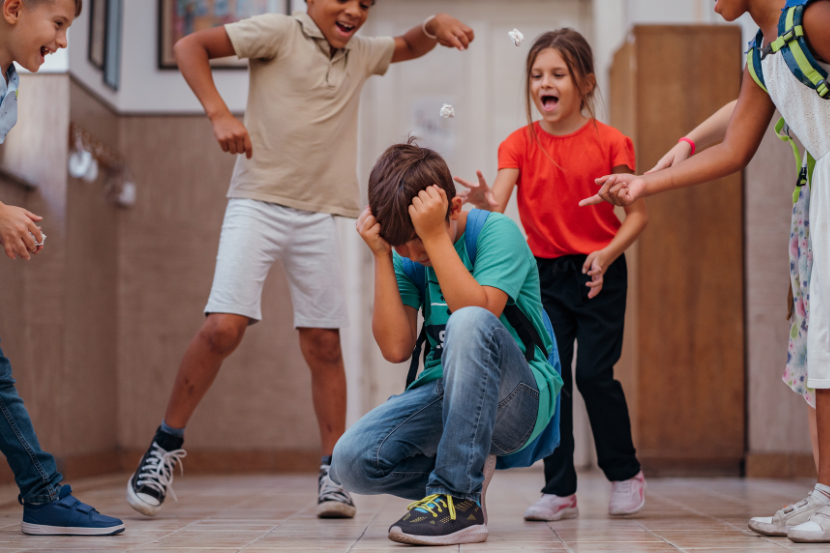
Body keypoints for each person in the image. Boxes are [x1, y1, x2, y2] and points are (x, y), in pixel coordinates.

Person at [126, 0, 476, 520]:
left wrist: (432, 25)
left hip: (324, 213)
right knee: (224, 327)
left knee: (323, 343)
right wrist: (220, 113)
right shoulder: (276, 32)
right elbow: (189, 45)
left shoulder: (360, 53)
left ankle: (333, 472)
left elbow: (406, 45)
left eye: (366, 4)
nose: (355, 11)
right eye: (345, 0)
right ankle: (164, 444)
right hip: (258, 200)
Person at [581, 0, 830, 542]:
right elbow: (736, 147)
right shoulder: (765, 51)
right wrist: (645, 184)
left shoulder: (812, 19)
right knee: (820, 352)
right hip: (820, 197)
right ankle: (826, 495)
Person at [456, 28, 648, 520]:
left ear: (584, 83)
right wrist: (483, 203)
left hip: (599, 268)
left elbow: (640, 216)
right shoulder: (518, 144)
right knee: (554, 378)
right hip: (542, 278)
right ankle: (559, 487)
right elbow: (498, 200)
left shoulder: (610, 142)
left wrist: (606, 254)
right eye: (537, 74)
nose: (545, 82)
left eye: (558, 74)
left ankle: (625, 475)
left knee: (594, 376)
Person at [330, 141, 563, 546]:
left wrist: (435, 237)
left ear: (452, 209)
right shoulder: (404, 255)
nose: (411, 252)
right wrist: (383, 258)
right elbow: (396, 348)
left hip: (518, 399)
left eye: (416, 240)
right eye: (400, 242)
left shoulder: (495, 232)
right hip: (447, 394)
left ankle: (457, 498)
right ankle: (465, 475)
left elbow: (480, 314)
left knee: (467, 320)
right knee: (349, 462)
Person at [651, 97, 822, 537]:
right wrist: (689, 139)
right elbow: (751, 100)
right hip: (808, 221)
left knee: (822, 361)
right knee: (811, 366)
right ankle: (824, 492)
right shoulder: (773, 59)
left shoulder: (804, 36)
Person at [0, 0, 123, 536]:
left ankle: (44, 494)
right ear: (11, 8)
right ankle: (45, 494)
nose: (63, 42)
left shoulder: (9, 88)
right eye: (59, 25)